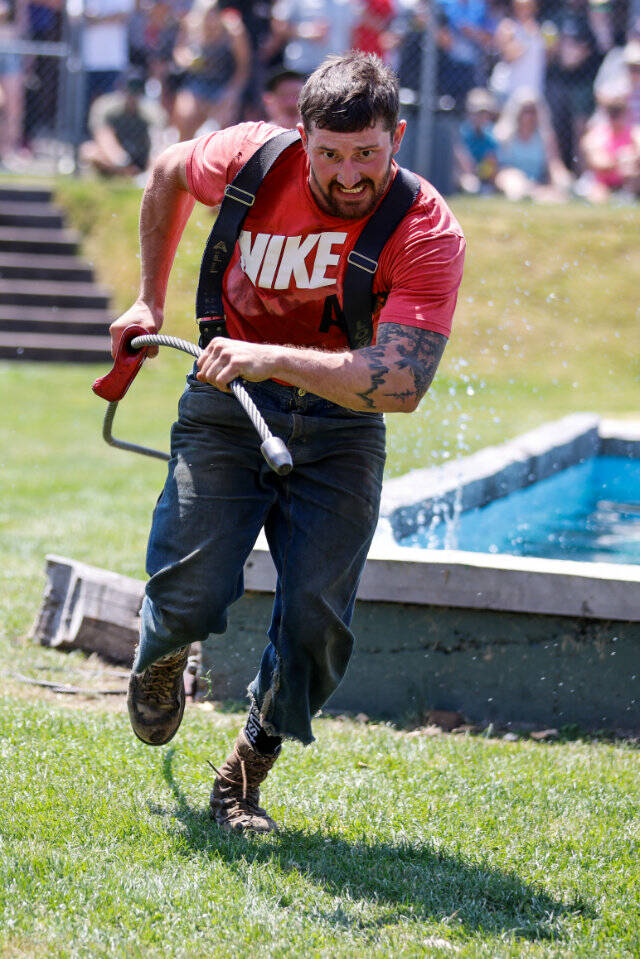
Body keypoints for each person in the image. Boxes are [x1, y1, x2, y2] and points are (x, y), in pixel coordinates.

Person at [110, 52, 465, 835]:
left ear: (398, 136)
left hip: (343, 427)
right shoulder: (249, 157)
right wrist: (147, 299)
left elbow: (401, 383)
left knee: (316, 625)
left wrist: (270, 355)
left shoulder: (426, 227)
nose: (348, 174)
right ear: (301, 135)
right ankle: (165, 650)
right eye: (330, 153)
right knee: (189, 592)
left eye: (367, 153)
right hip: (226, 403)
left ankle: (243, 773)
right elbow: (167, 172)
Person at [170, 0, 250, 139]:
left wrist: (233, 92)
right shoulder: (190, 25)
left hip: (224, 85)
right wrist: (186, 59)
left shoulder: (233, 31)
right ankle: (185, 150)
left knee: (224, 127)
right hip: (197, 83)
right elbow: (178, 52)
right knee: (184, 115)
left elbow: (244, 65)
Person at [79, 70, 166, 179]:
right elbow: (102, 136)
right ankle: (125, 174)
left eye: (136, 89)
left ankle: (146, 177)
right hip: (115, 158)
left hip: (142, 158)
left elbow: (158, 141)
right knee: (88, 151)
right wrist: (122, 162)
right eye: (129, 89)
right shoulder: (105, 106)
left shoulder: (151, 111)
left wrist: (151, 168)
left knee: (163, 154)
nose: (132, 96)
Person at [494, 86, 572, 199]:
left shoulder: (545, 137)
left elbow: (554, 163)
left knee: (564, 183)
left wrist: (562, 180)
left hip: (537, 181)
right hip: (511, 178)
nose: (529, 116)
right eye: (526, 111)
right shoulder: (503, 135)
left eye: (533, 111)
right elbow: (497, 167)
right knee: (515, 182)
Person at [579, 78, 640, 201]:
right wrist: (622, 158)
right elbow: (598, 163)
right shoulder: (596, 136)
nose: (615, 117)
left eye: (618, 112)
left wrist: (630, 159)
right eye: (612, 113)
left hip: (629, 182)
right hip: (603, 184)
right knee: (598, 196)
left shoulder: (634, 133)